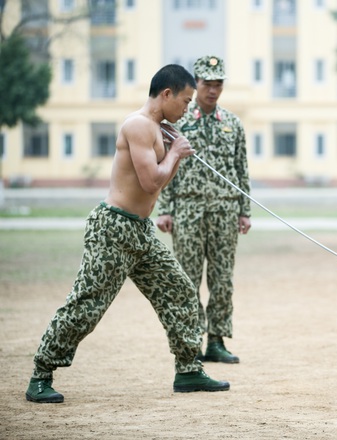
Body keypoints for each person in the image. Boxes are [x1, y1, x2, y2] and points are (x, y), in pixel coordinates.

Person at [26, 64, 230, 404]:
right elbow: (151, 181)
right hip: (112, 228)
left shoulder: (156, 128)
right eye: (184, 100)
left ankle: (188, 369)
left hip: (139, 230)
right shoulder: (137, 125)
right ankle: (41, 374)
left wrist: (174, 150)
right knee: (88, 305)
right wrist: (177, 151)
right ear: (166, 94)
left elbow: (156, 184)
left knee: (179, 289)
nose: (186, 108)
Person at [156, 55, 251, 364]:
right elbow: (165, 166)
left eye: (218, 84)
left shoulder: (233, 123)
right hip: (188, 209)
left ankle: (217, 341)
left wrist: (244, 210)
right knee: (187, 279)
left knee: (223, 278)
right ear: (195, 84)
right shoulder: (178, 123)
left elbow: (241, 169)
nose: (213, 90)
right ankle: (191, 342)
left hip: (225, 210)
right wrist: (165, 209)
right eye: (207, 83)